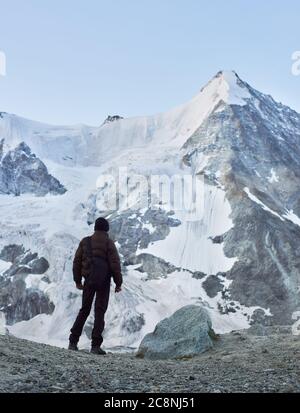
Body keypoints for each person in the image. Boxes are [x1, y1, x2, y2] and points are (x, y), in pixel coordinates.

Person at [68, 217, 122, 355]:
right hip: (104, 282)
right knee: (99, 312)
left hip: (89, 280)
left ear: (95, 228)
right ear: (106, 229)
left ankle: (73, 342)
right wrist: (118, 283)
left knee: (84, 310)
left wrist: (77, 281)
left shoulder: (85, 242)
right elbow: (115, 264)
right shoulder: (109, 244)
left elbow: (77, 262)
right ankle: (95, 346)